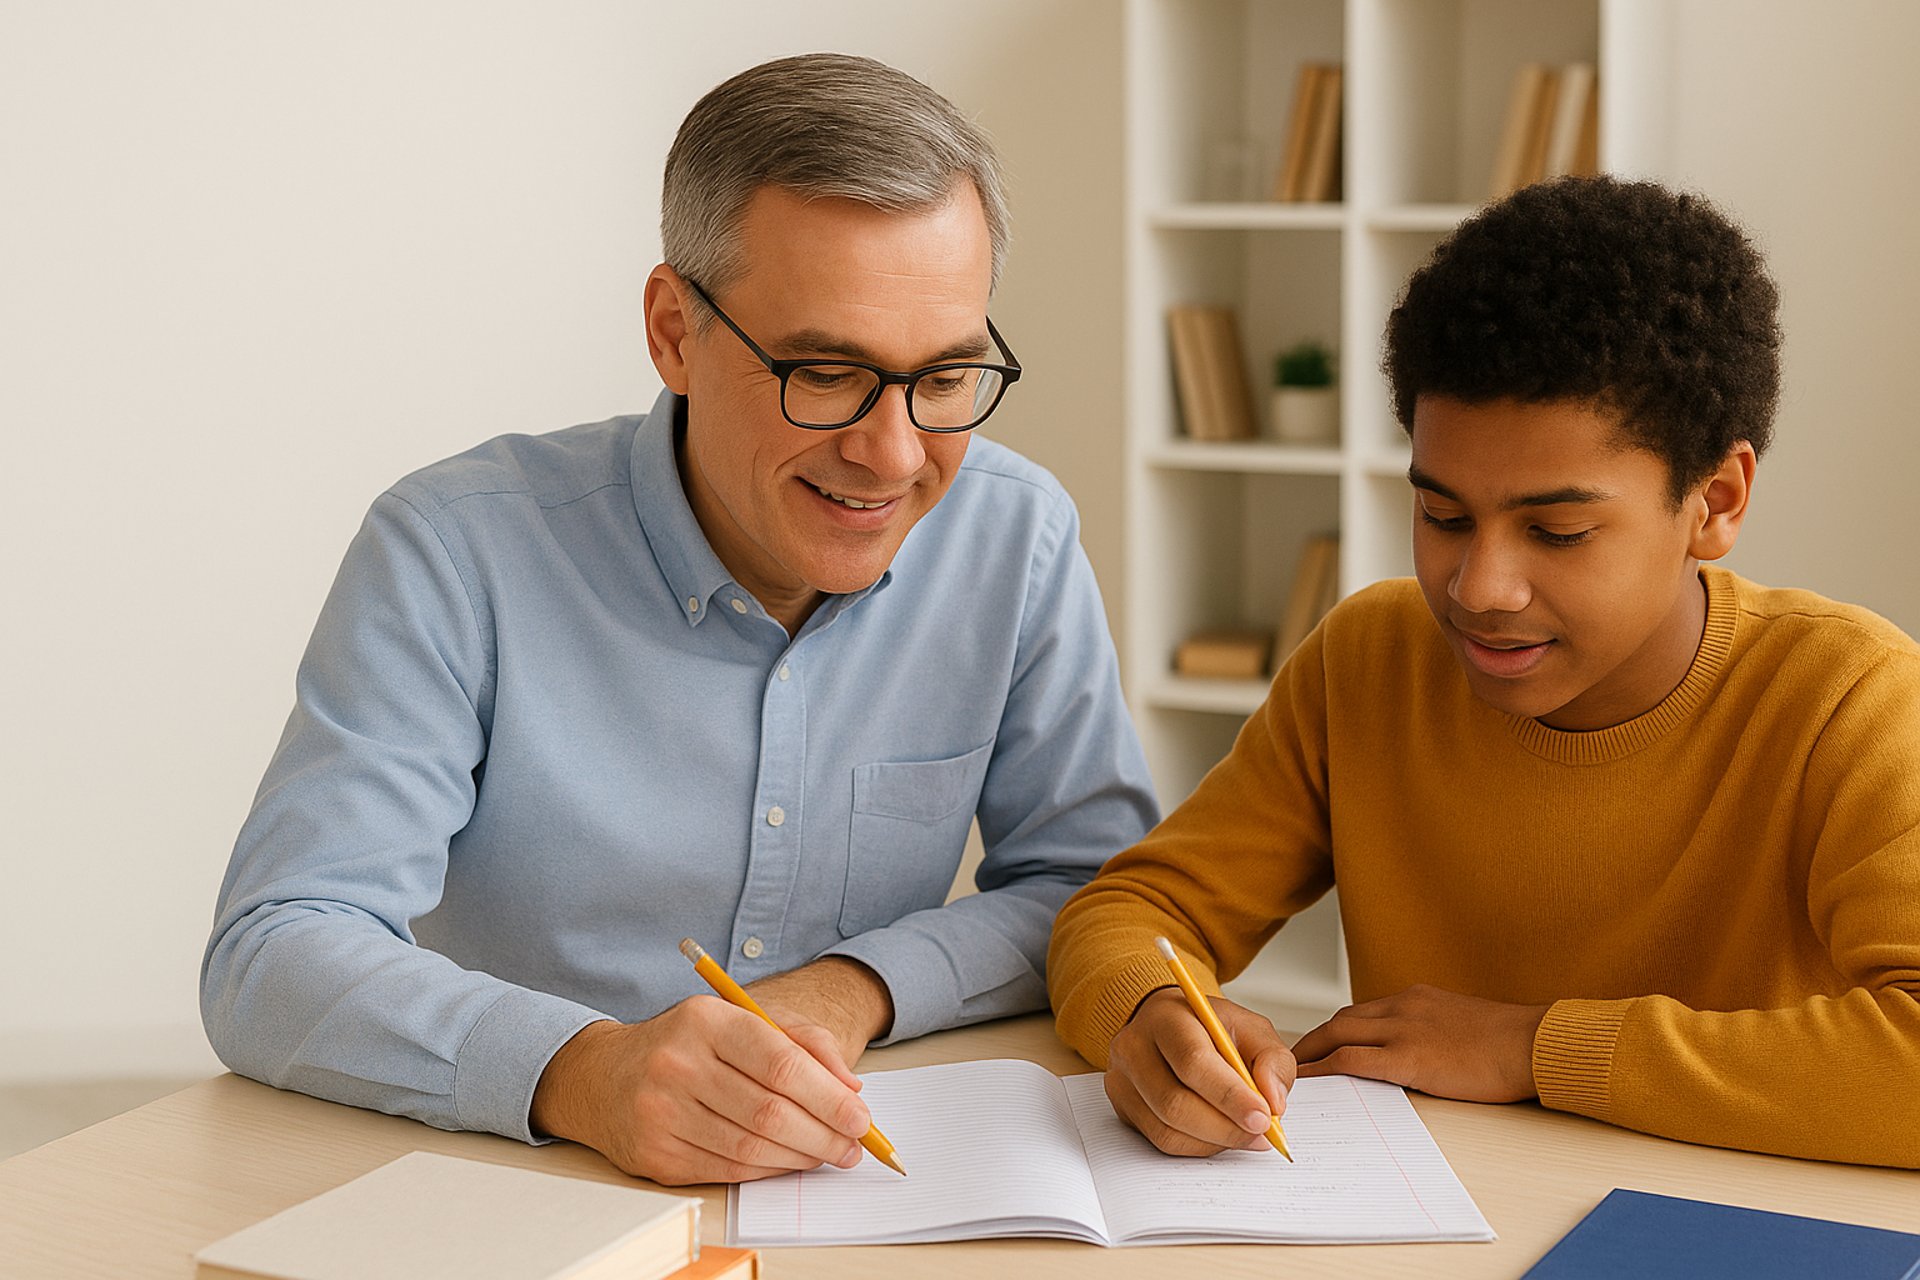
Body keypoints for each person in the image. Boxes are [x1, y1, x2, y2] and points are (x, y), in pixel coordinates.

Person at [202, 52, 1157, 1186]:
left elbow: (1090, 888)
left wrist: (853, 987)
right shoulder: (455, 550)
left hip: (860, 1177)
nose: (894, 454)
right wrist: (586, 1072)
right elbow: (276, 945)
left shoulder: (1016, 534)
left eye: (945, 379)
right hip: (524, 1186)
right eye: (825, 373)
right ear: (672, 331)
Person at [1048, 175, 1920, 1169]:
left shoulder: (1851, 699)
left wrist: (1533, 1046)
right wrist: (1150, 1010)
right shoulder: (1368, 661)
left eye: (1558, 530)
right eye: (1443, 514)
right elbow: (1129, 911)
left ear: (1715, 501)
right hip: (1432, 1216)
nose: (1479, 586)